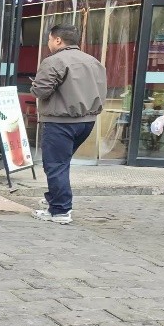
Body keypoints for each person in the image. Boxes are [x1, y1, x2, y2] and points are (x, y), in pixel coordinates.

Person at [31, 24, 107, 224]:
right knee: (61, 163)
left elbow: (41, 90)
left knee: (55, 165)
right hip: (87, 121)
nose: (48, 43)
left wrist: (34, 86)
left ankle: (60, 210)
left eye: (49, 39)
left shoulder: (54, 61)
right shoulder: (93, 61)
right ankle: (55, 198)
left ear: (57, 40)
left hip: (60, 122)